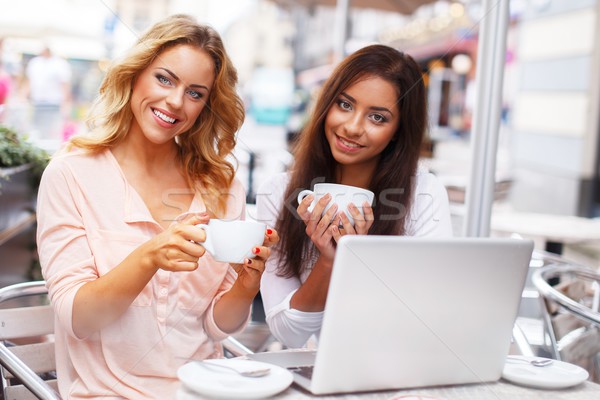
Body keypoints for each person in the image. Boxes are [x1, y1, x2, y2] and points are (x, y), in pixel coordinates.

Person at [36, 14, 277, 399]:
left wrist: (247, 286)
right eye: (164, 78)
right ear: (135, 74)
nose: (176, 102)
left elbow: (218, 327)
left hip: (205, 389)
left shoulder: (221, 184)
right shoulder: (71, 174)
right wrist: (149, 256)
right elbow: (77, 318)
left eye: (196, 93)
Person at [256, 44, 453, 349]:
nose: (351, 127)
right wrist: (328, 262)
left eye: (377, 118)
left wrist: (361, 256)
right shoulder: (278, 192)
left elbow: (431, 318)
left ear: (398, 131)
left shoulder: (424, 194)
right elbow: (289, 334)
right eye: (345, 105)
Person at [24, 44, 72, 140]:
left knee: (51, 130)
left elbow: (65, 85)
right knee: (37, 129)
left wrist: (65, 103)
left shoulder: (60, 63)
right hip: (37, 102)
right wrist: (23, 97)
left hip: (53, 103)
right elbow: (29, 82)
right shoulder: (35, 63)